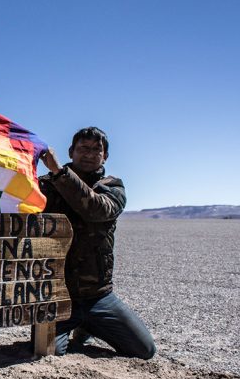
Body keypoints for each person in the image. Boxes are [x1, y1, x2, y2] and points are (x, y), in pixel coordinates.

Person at [39, 127, 156, 359]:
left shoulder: (113, 187)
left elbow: (95, 210)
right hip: (57, 296)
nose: (90, 154)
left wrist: (60, 172)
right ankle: (76, 326)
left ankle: (89, 325)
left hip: (98, 296)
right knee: (48, 351)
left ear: (105, 156)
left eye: (96, 149)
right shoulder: (46, 184)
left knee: (144, 350)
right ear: (71, 151)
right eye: (83, 148)